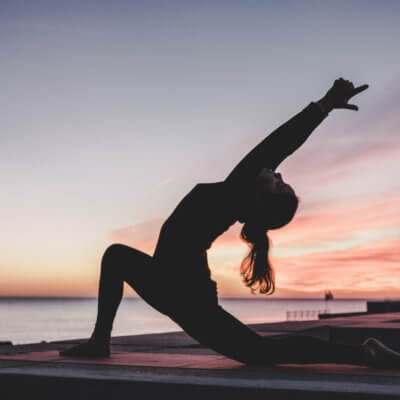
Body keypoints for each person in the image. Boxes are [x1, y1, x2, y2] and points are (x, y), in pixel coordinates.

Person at [60, 78, 400, 369]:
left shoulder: (237, 193)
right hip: (171, 283)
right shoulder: (235, 196)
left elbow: (278, 144)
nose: (277, 173)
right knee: (116, 255)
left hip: (185, 295)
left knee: (259, 353)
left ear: (260, 202)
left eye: (279, 184)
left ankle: (365, 353)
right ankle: (99, 340)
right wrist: (323, 106)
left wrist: (323, 105)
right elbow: (275, 152)